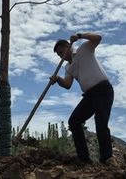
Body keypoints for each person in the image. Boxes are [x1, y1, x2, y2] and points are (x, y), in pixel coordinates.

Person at [50, 32, 116, 165]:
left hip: (103, 89)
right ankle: (84, 159)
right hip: (90, 95)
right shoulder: (68, 67)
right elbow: (67, 84)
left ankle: (107, 158)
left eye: (62, 51)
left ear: (69, 46)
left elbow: (98, 38)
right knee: (74, 121)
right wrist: (57, 80)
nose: (61, 55)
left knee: (100, 123)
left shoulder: (84, 49)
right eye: (59, 54)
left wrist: (80, 36)